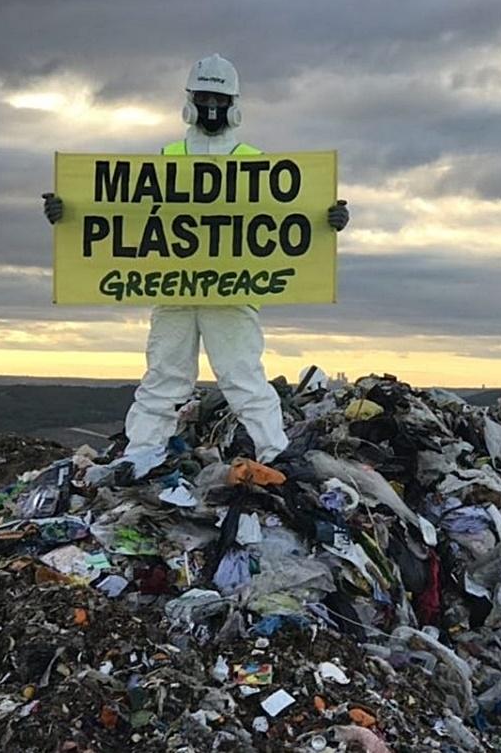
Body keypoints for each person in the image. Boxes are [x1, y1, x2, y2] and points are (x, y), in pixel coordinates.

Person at [43, 54, 350, 473]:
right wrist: (70, 213)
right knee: (165, 377)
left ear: (233, 103)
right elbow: (125, 212)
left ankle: (274, 454)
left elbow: (286, 212)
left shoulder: (254, 161)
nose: (211, 106)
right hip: (174, 288)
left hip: (230, 289)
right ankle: (141, 454)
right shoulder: (165, 159)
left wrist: (327, 220)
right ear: (191, 99)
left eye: (219, 98)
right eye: (205, 96)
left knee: (242, 378)